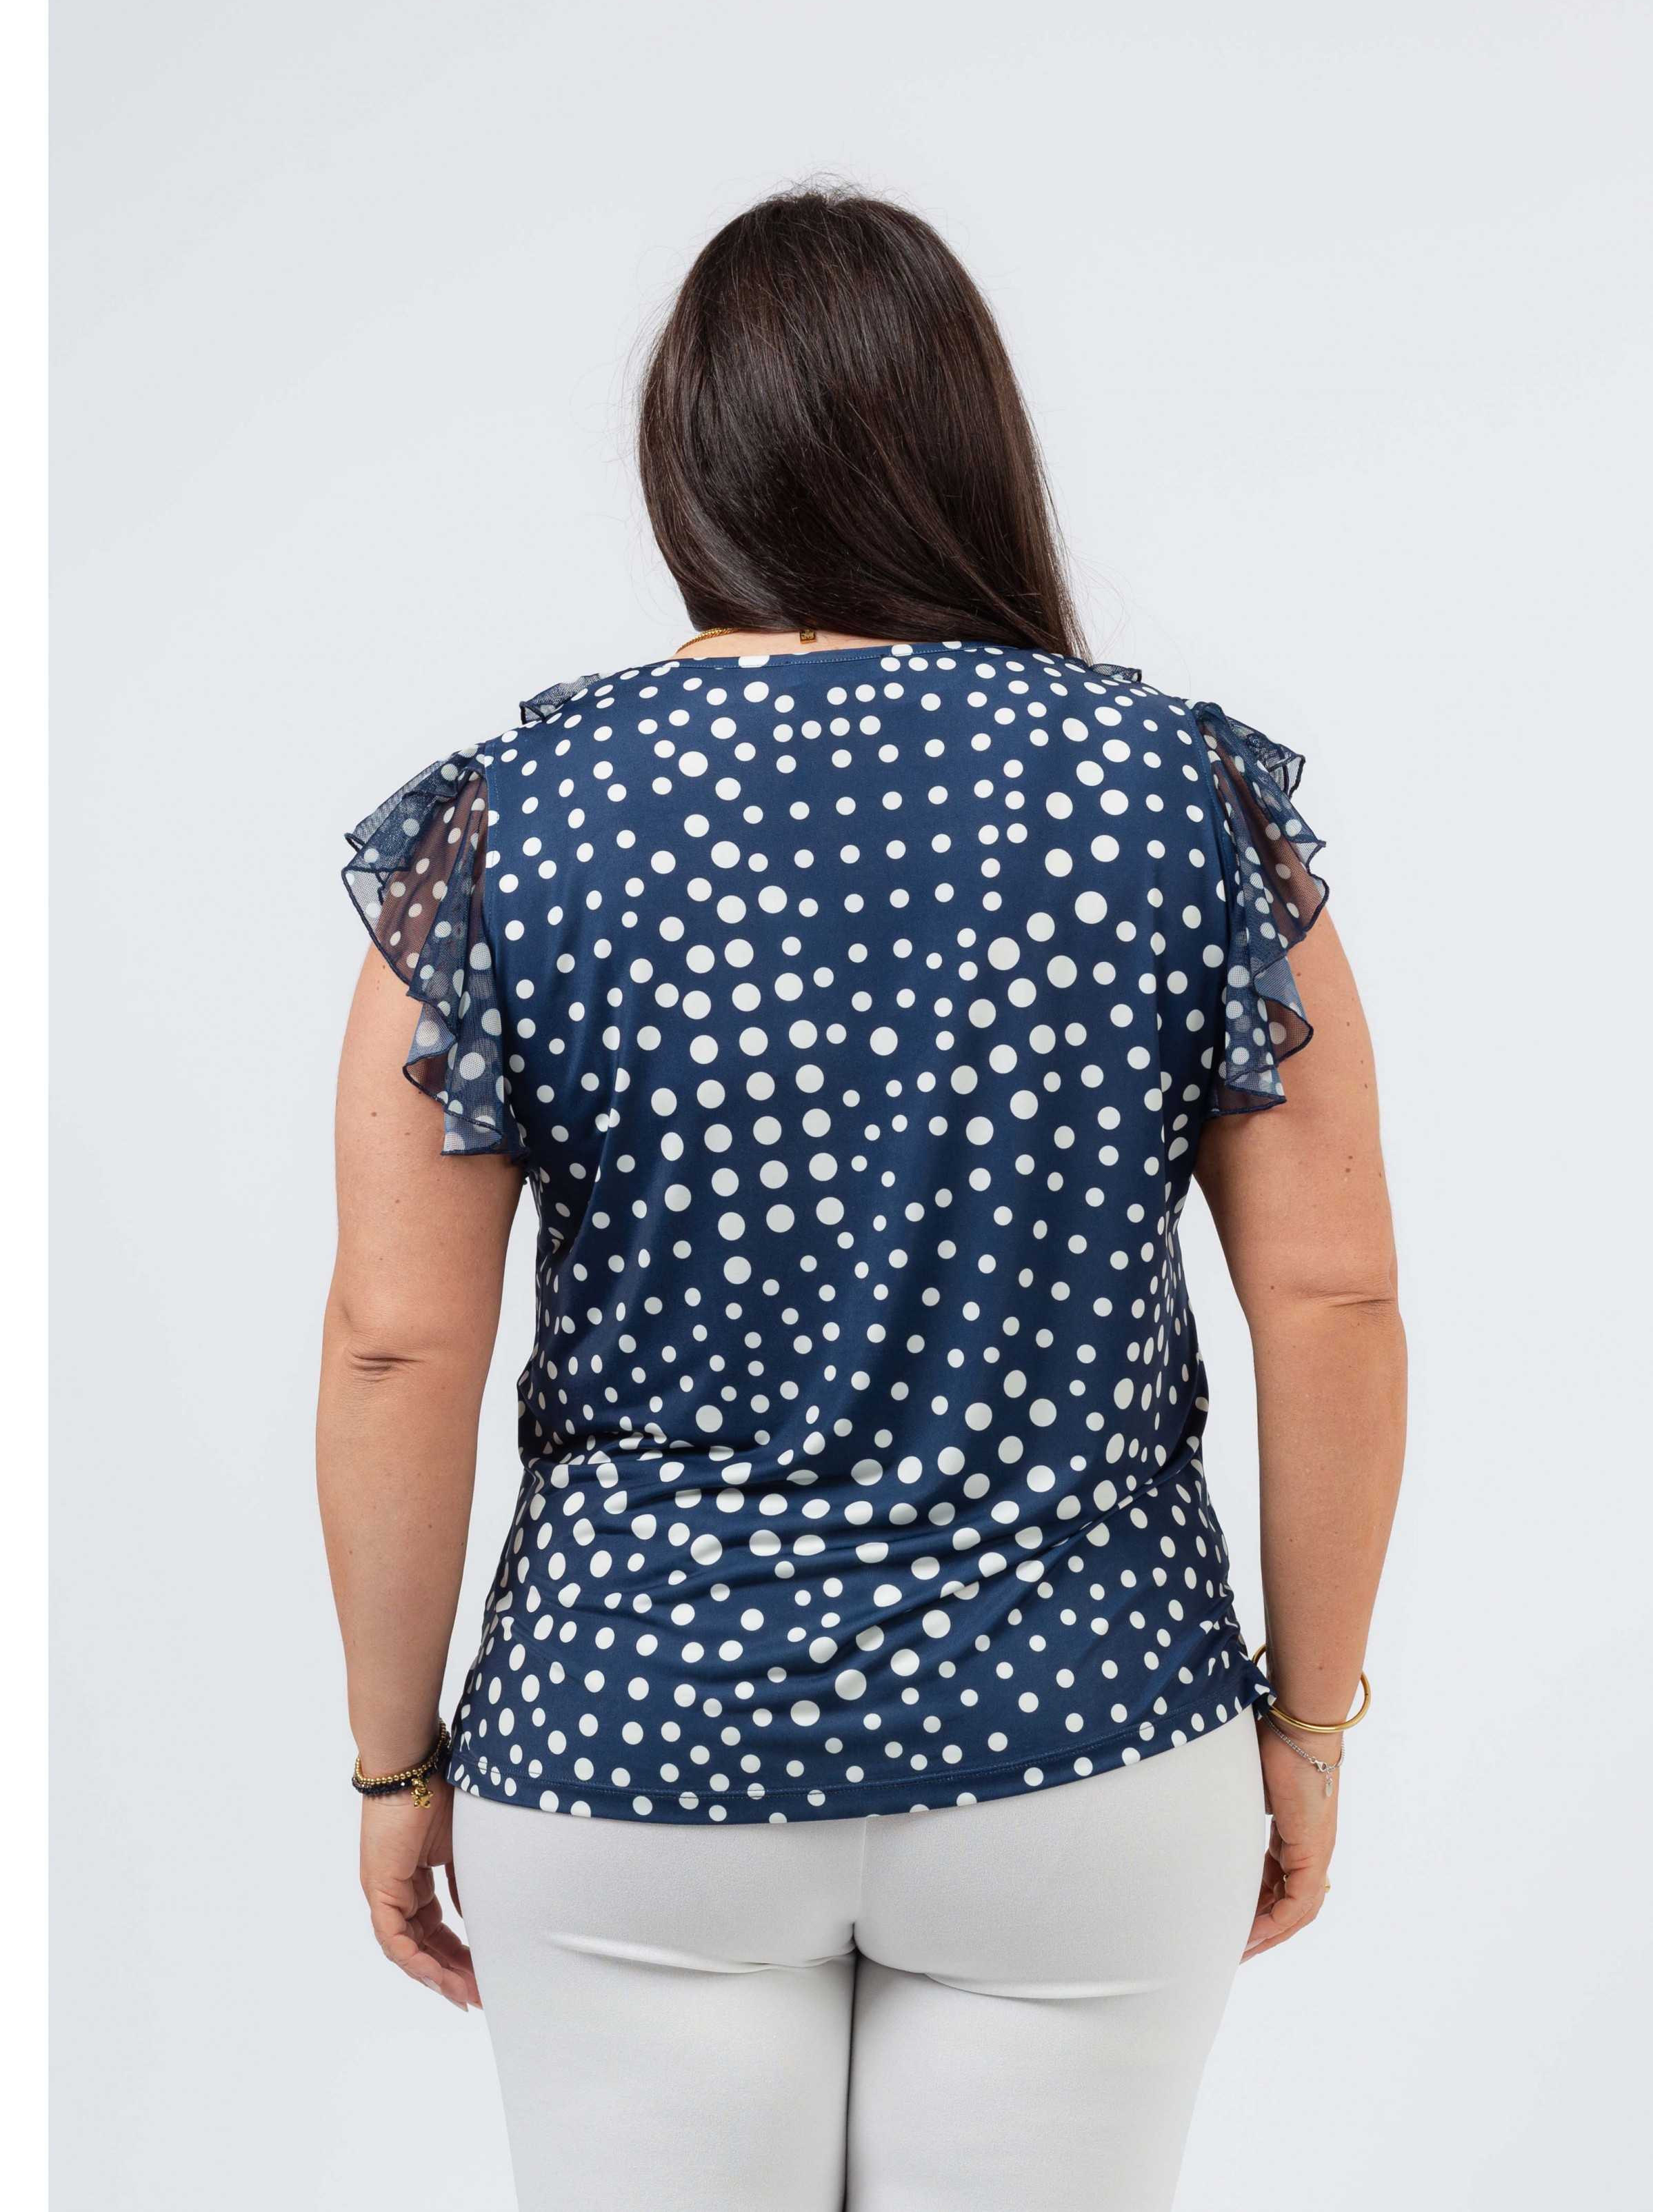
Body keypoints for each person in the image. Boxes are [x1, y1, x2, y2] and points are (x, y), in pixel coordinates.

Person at [317, 185, 1407, 2212]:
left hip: (635, 1730)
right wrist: (1309, 1719)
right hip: (1088, 1725)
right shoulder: (1174, 801)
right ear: (973, 446)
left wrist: (398, 1759)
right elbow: (1331, 1301)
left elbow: (399, 1341)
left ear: (688, 462)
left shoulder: (513, 827)